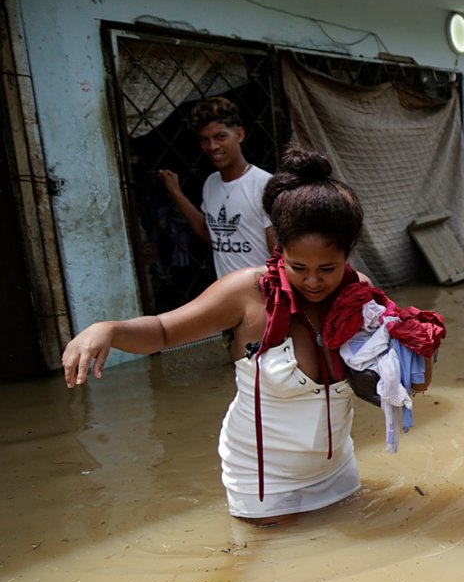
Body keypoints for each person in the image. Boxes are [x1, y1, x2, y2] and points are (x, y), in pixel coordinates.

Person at [63, 145, 439, 526]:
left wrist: (416, 359)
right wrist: (108, 329)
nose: (312, 281)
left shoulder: (358, 295)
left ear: (348, 254)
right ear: (279, 248)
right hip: (264, 482)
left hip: (338, 469)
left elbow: (398, 378)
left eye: (327, 268)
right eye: (298, 267)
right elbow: (162, 332)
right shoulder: (247, 294)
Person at [158, 96, 275, 279]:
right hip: (227, 293)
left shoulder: (265, 186)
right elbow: (211, 233)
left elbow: (279, 257)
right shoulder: (211, 183)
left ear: (240, 135)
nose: (212, 146)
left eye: (221, 137)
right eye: (205, 140)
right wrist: (176, 193)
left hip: (261, 292)